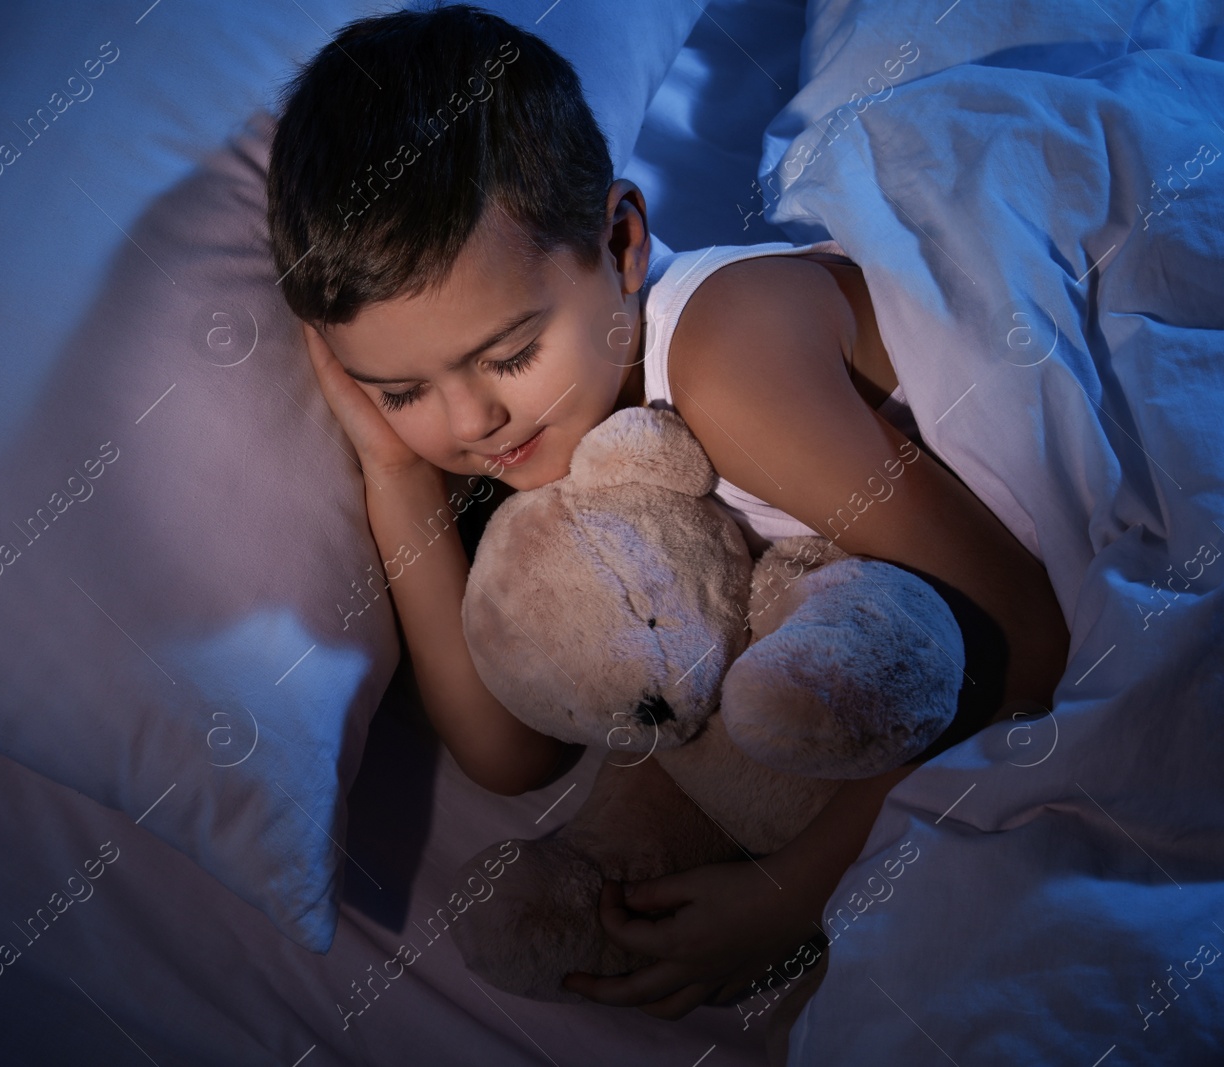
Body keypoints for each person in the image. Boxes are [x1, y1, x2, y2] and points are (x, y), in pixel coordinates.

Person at [266, 2, 1068, 1020]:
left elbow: (1028, 637)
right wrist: (393, 473)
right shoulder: (556, 435)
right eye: (401, 389)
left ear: (620, 243)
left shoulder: (723, 365)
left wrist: (796, 889)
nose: (471, 418)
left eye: (507, 354)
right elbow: (513, 752)